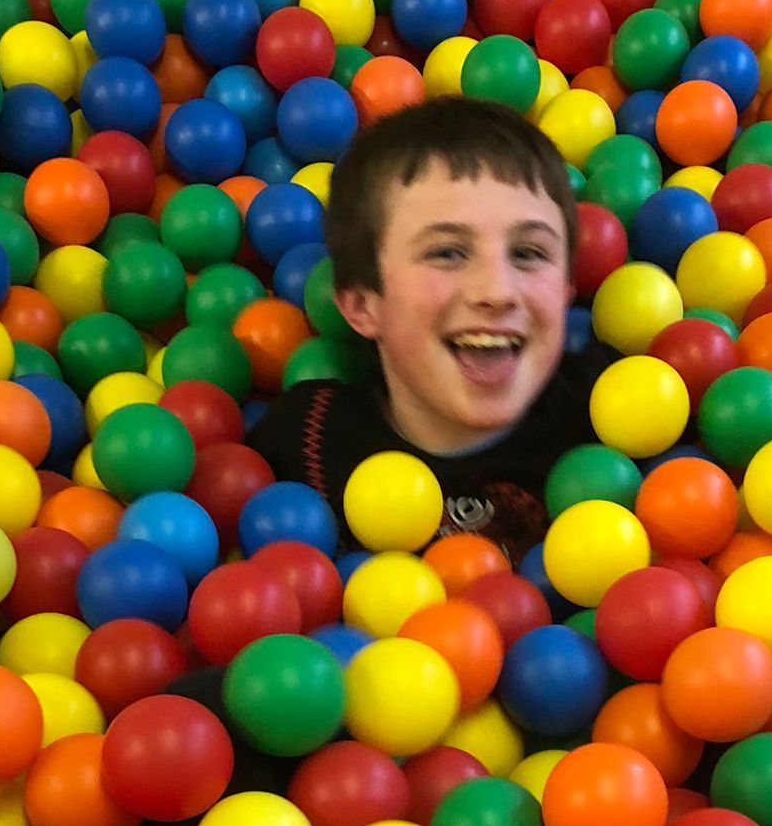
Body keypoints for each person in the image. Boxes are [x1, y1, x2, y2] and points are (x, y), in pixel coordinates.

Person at [248, 94, 610, 562]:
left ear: (565, 290)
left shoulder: (612, 413)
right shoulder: (304, 440)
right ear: (363, 304)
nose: (496, 291)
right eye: (447, 253)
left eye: (528, 253)